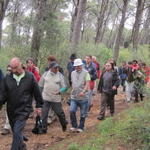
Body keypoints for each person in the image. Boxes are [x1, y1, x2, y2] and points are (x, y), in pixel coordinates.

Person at [0, 57, 43, 150]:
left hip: (24, 109)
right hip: (11, 111)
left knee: (16, 131)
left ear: (21, 64)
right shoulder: (7, 78)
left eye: (16, 67)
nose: (14, 70)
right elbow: (2, 95)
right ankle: (23, 147)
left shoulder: (30, 77)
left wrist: (39, 106)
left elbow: (37, 92)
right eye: (12, 68)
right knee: (16, 132)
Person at [39, 62, 68, 133]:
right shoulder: (45, 74)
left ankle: (64, 126)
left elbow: (65, 87)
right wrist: (39, 97)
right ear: (50, 68)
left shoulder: (60, 75)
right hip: (45, 97)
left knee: (59, 113)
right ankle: (44, 129)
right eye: (55, 68)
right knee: (44, 114)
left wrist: (59, 91)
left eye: (57, 67)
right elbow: (40, 85)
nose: (57, 69)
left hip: (56, 99)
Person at [70, 58, 90, 132]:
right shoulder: (72, 73)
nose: (77, 67)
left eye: (79, 66)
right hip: (74, 96)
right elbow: (72, 82)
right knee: (72, 110)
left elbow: (88, 83)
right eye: (76, 66)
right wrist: (72, 89)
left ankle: (81, 127)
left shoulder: (86, 73)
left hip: (83, 97)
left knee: (83, 113)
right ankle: (74, 125)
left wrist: (84, 91)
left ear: (81, 65)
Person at [1, 65, 12, 135]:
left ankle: (17, 127)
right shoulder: (6, 78)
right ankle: (7, 127)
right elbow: (3, 89)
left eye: (10, 70)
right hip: (9, 98)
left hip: (19, 99)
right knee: (8, 111)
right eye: (7, 70)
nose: (9, 72)